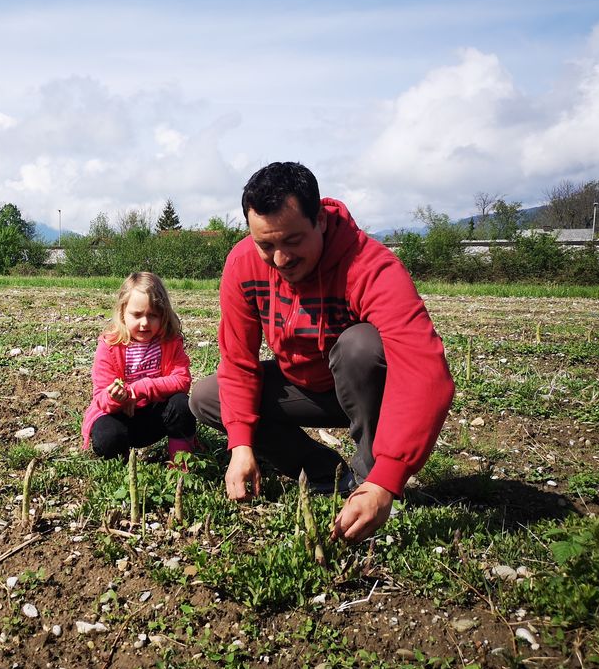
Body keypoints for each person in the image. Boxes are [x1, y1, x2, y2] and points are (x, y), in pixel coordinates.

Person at [190, 162, 454, 544]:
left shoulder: (370, 266)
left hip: (362, 387)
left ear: (321, 221)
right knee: (207, 397)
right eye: (266, 245)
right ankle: (324, 473)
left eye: (293, 241)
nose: (280, 259)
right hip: (301, 387)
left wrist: (388, 478)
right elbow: (238, 362)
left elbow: (424, 372)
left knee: (360, 346)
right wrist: (241, 445)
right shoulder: (243, 264)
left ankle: (368, 482)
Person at [81, 272, 197, 464]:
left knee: (182, 404)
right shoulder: (109, 346)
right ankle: (125, 468)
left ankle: (180, 465)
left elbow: (182, 380)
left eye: (153, 315)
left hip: (155, 416)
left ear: (163, 315)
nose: (144, 323)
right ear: (122, 313)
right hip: (120, 417)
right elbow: (101, 397)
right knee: (108, 436)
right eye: (136, 315)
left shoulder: (169, 341)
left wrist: (137, 389)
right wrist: (116, 397)